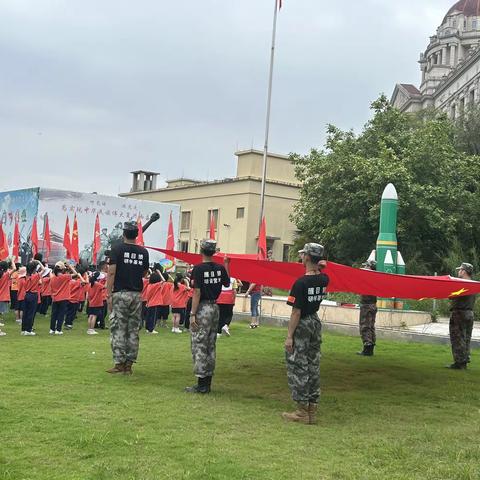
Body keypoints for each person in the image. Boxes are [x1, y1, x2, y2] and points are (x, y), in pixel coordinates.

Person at [282, 243, 329, 425]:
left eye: (303, 255)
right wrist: (318, 264)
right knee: (313, 363)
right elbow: (322, 267)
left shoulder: (300, 283)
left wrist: (289, 336)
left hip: (302, 324)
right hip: (315, 323)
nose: (301, 258)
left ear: (307, 258)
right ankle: (312, 410)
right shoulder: (324, 279)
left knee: (298, 364)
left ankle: (301, 411)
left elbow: (296, 312)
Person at [185, 239, 230, 394]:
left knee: (199, 344)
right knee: (211, 344)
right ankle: (207, 382)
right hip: (215, 307)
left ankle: (201, 383)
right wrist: (226, 265)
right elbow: (226, 283)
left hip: (203, 308)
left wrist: (192, 314)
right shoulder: (219, 268)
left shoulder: (198, 269)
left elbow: (196, 292)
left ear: (201, 250)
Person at [106, 221, 149, 375]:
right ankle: (129, 364)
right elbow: (144, 273)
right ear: (137, 235)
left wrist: (108, 293)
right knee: (133, 330)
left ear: (123, 234)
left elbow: (111, 272)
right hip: (137, 295)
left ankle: (119, 363)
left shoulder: (117, 249)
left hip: (120, 293)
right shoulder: (143, 252)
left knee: (118, 328)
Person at [447, 262, 477, 370]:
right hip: (469, 313)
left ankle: (459, 363)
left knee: (457, 338)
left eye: (460, 270)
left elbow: (451, 295)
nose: (458, 272)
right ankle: (464, 360)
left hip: (459, 313)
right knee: (466, 339)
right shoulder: (474, 284)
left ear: (464, 271)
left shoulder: (461, 284)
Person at [50, 262, 77, 335]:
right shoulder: (65, 276)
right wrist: (70, 267)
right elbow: (76, 274)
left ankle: (52, 329)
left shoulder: (52, 278)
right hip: (63, 298)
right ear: (62, 270)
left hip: (55, 298)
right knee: (61, 314)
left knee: (54, 314)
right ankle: (58, 330)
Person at [357, 260, 378, 356]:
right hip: (372, 305)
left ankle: (367, 348)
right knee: (370, 327)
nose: (364, 267)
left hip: (367, 305)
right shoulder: (375, 277)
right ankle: (370, 347)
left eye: (366, 266)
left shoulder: (369, 277)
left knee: (365, 326)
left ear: (370, 267)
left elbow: (358, 271)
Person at [22, 260, 45, 335]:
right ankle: (28, 330)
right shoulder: (35, 276)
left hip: (27, 294)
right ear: (34, 269)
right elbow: (44, 269)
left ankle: (24, 329)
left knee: (25, 312)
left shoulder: (26, 276)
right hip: (33, 295)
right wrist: (38, 262)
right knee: (31, 313)